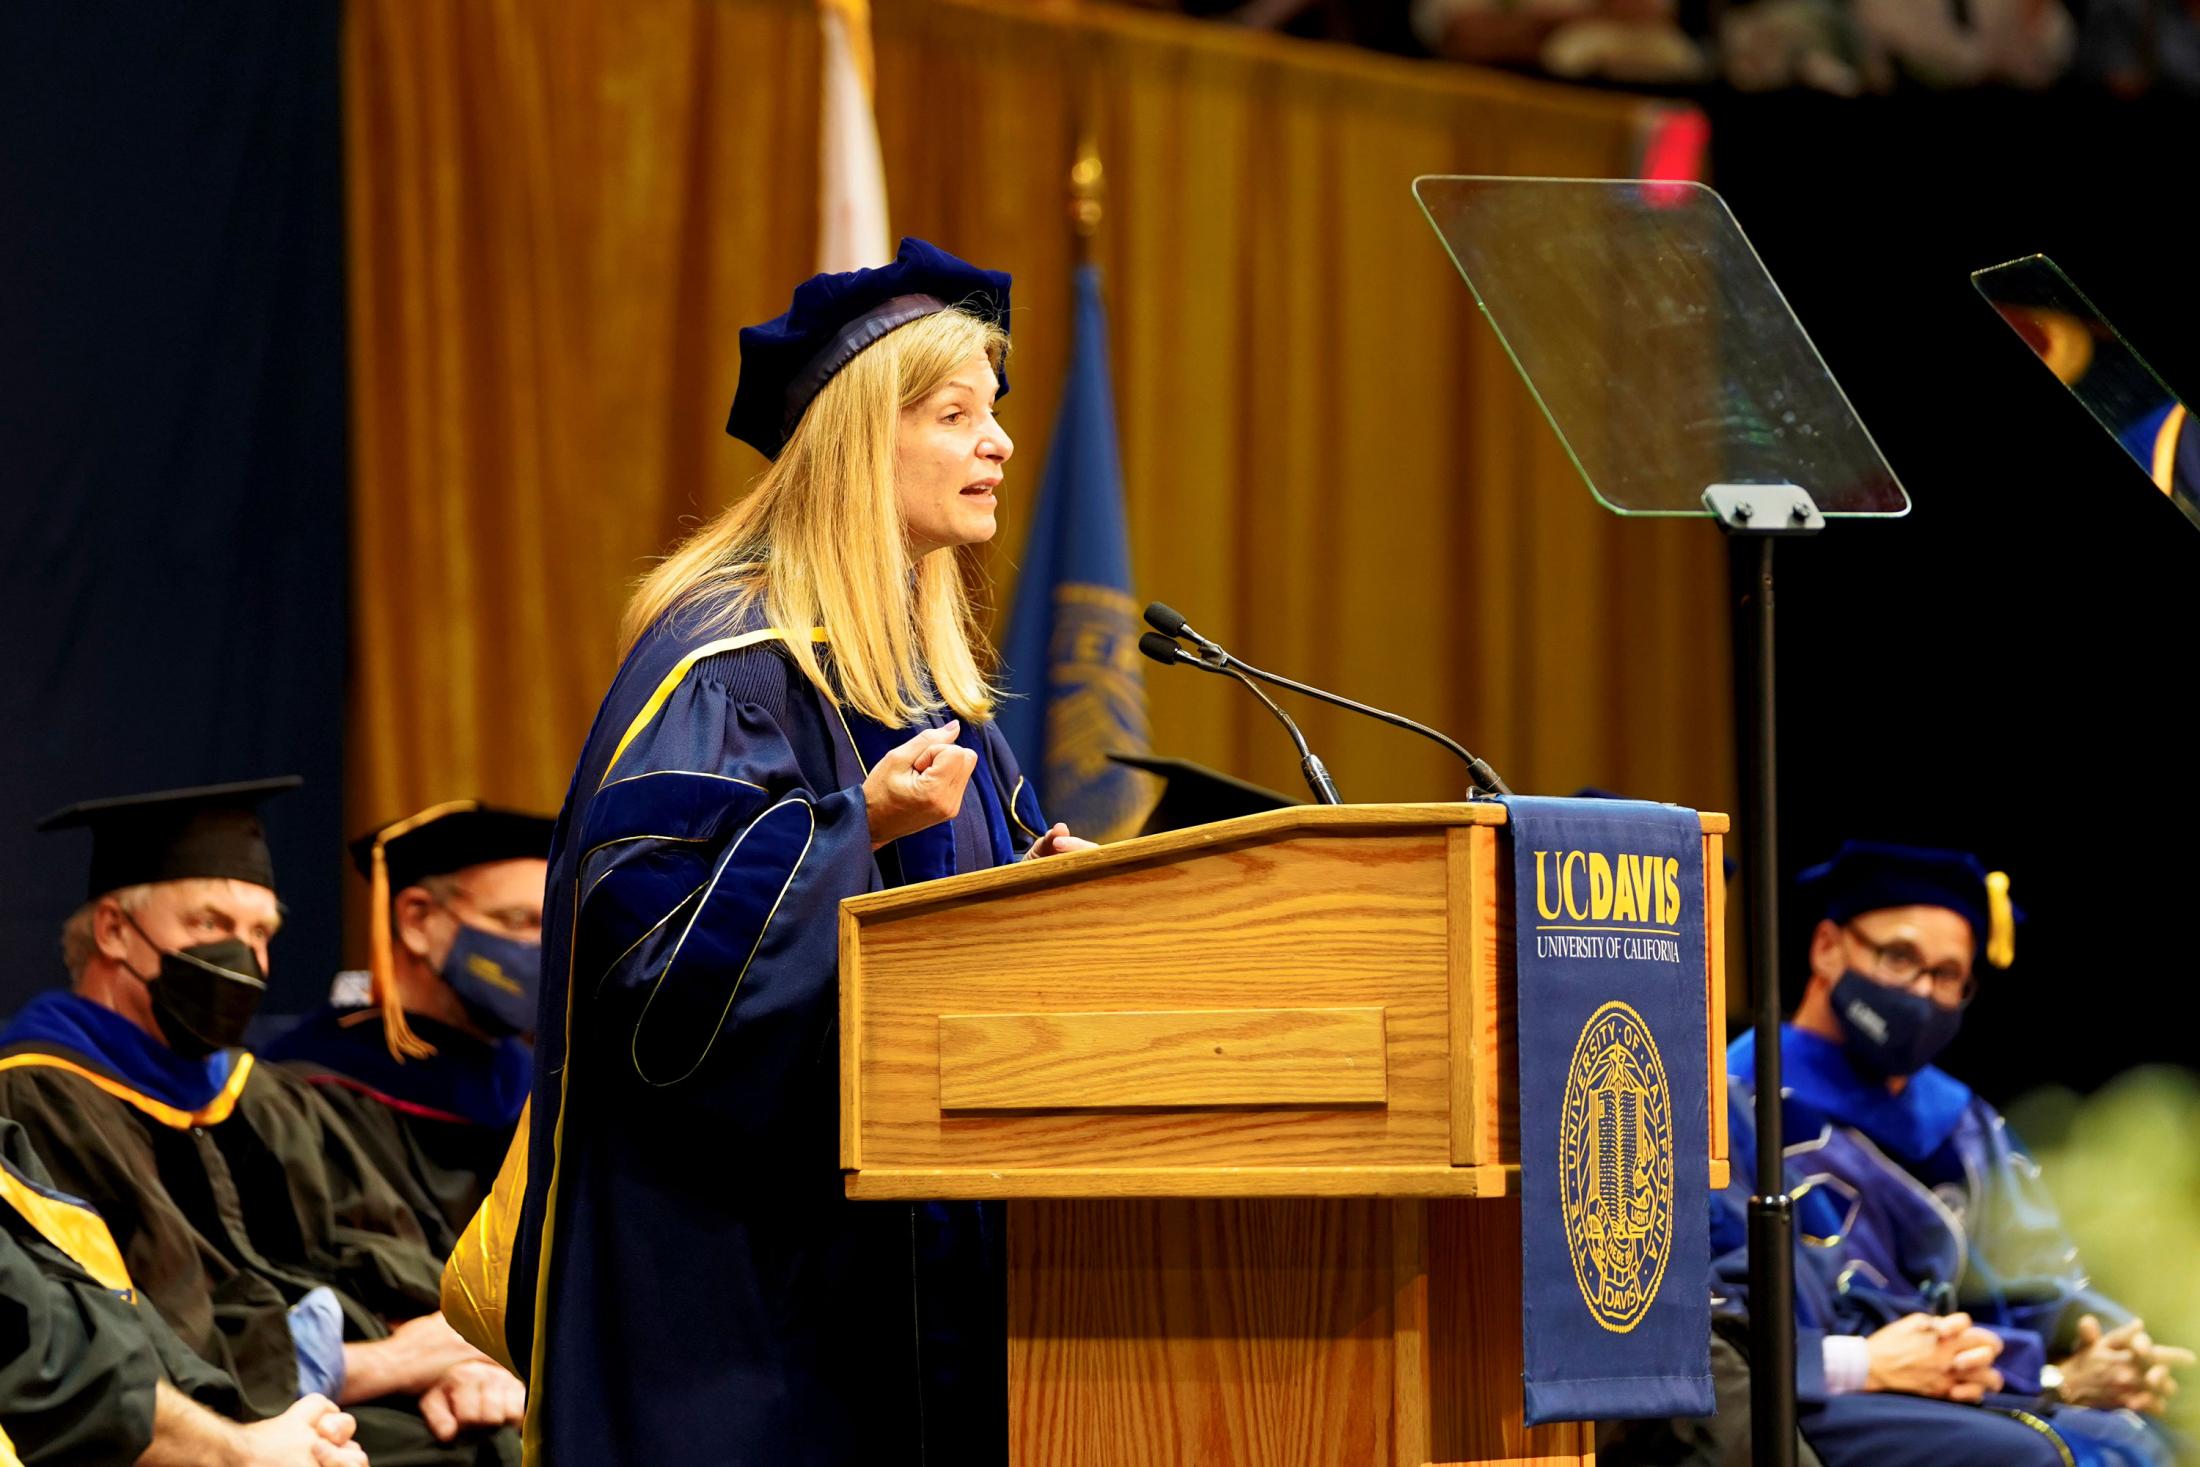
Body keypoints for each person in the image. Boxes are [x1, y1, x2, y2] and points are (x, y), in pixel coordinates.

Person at [442, 237, 1095, 1465]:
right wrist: (861, 830)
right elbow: (653, 976)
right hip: (739, 1295)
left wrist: (1052, 898)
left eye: (995, 413)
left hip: (913, 1270)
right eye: (957, 414)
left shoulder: (932, 696)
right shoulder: (730, 667)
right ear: (861, 440)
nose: (999, 442)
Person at [0, 779, 525, 1463]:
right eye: (210, 924)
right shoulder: (43, 1097)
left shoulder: (263, 1094)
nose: (243, 959)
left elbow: (378, 1243)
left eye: (260, 932)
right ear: (114, 931)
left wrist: (455, 1361)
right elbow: (143, 1329)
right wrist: (389, 1364)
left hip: (330, 1401)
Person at [1715, 841, 2188, 1467]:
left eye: (1947, 977)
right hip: (1845, 1396)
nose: (1921, 993)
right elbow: (1734, 1326)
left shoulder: (1962, 1121)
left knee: (2151, 1435)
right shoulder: (1739, 1100)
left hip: (1975, 1385)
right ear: (1828, 947)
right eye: (1899, 957)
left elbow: (2039, 1283)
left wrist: (2113, 1351)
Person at [0, 1115, 367, 1467]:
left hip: (196, 1413)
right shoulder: (48, 1090)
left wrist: (239, 1439)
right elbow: (34, 1353)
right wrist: (238, 1451)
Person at [266, 804, 550, 1258]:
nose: (544, 949)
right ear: (417, 920)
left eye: (556, 926)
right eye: (518, 921)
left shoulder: (538, 1085)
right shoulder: (316, 1085)